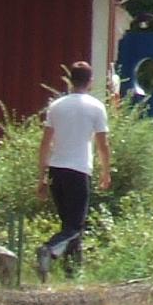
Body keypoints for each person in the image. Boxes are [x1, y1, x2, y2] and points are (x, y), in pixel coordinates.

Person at [35, 63, 112, 278]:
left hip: (56, 171)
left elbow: (45, 143)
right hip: (78, 171)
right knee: (75, 227)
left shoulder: (56, 106)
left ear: (69, 80)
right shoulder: (96, 107)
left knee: (68, 226)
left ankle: (72, 273)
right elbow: (102, 144)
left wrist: (41, 177)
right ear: (90, 81)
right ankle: (48, 249)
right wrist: (106, 171)